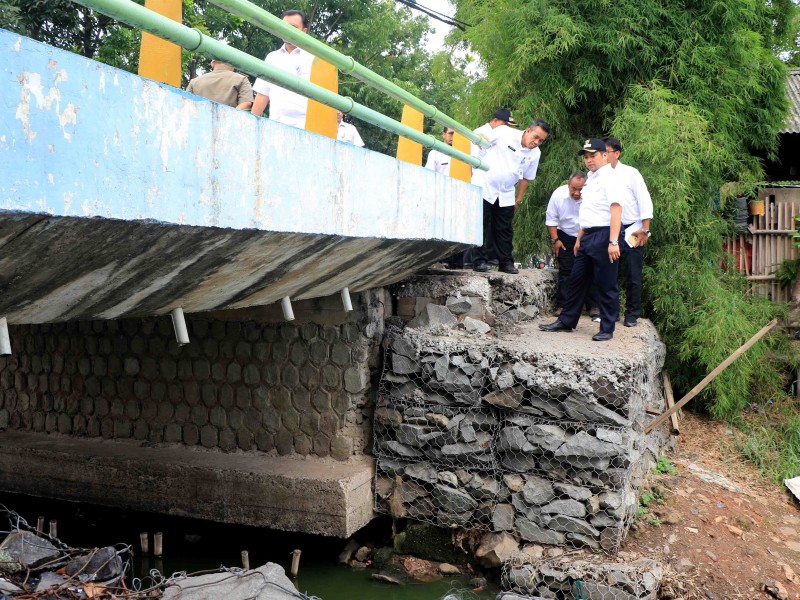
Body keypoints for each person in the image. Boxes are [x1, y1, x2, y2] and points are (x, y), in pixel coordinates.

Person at [539, 138, 623, 341]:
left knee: (606, 283)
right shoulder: (591, 178)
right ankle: (566, 321)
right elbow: (588, 211)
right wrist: (579, 238)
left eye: (593, 155)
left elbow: (616, 209)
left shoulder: (611, 177)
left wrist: (613, 242)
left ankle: (607, 328)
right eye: (586, 157)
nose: (589, 160)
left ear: (605, 155)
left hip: (605, 234)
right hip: (587, 235)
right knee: (576, 279)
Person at [472, 119, 551, 275]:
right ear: (527, 130)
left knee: (505, 229)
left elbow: (526, 177)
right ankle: (479, 261)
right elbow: (483, 138)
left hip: (507, 192)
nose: (536, 142)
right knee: (481, 224)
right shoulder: (504, 132)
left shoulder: (536, 153)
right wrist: (482, 139)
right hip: (484, 186)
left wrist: (519, 198)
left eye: (541, 140)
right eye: (535, 137)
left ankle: (506, 263)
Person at [604, 136, 653, 327]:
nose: (604, 156)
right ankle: (611, 312)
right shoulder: (599, 175)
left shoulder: (630, 173)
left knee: (633, 274)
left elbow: (644, 200)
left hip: (632, 229)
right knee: (610, 274)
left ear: (616, 153)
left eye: (606, 152)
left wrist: (645, 229)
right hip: (610, 230)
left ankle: (632, 314)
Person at [251, 10, 314, 128]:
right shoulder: (272, 57)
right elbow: (263, 93)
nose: (288, 30)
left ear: (304, 31)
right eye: (284, 26)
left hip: (307, 128)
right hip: (276, 126)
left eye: (294, 27)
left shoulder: (314, 58)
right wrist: (251, 124)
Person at [545, 171, 587, 313]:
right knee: (566, 270)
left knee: (591, 270)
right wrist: (555, 240)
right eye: (573, 189)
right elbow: (551, 219)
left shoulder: (592, 196)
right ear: (568, 185)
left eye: (580, 189)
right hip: (565, 235)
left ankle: (594, 307)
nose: (576, 193)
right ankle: (563, 305)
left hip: (587, 235)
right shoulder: (558, 194)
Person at [185, 58, 253, 110]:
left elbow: (185, 103)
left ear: (212, 64)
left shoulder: (194, 82)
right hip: (229, 122)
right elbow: (246, 103)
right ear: (232, 64)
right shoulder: (241, 79)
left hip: (199, 121)